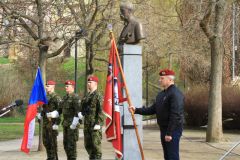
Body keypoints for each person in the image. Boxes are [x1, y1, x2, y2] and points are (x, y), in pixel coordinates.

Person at [129, 69, 184, 160]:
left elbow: (176, 115)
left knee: (172, 156)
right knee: (167, 156)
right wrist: (136, 110)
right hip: (163, 129)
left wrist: (169, 133)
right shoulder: (161, 94)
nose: (159, 80)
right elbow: (152, 109)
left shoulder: (175, 94)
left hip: (173, 130)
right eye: (160, 78)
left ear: (170, 80)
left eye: (162, 78)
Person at [47, 80, 82, 160]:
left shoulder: (75, 97)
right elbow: (59, 110)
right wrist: (53, 113)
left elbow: (78, 112)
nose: (65, 87)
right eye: (65, 86)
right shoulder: (65, 97)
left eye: (67, 86)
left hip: (72, 126)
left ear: (72, 87)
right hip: (66, 125)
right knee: (66, 145)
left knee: (71, 147)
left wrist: (74, 123)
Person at [37, 80, 61, 160]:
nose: (46, 87)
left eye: (48, 86)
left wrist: (57, 124)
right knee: (46, 142)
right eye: (46, 86)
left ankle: (54, 157)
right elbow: (44, 109)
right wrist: (40, 115)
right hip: (46, 124)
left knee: (52, 143)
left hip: (52, 124)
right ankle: (49, 157)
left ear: (53, 86)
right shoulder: (45, 97)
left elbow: (60, 111)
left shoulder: (56, 98)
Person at [81, 75, 104, 160]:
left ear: (95, 83)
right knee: (88, 146)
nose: (88, 84)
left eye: (90, 82)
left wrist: (98, 123)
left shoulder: (98, 96)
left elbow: (101, 111)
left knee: (96, 148)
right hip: (87, 125)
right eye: (88, 82)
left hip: (95, 126)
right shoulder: (87, 96)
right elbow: (82, 109)